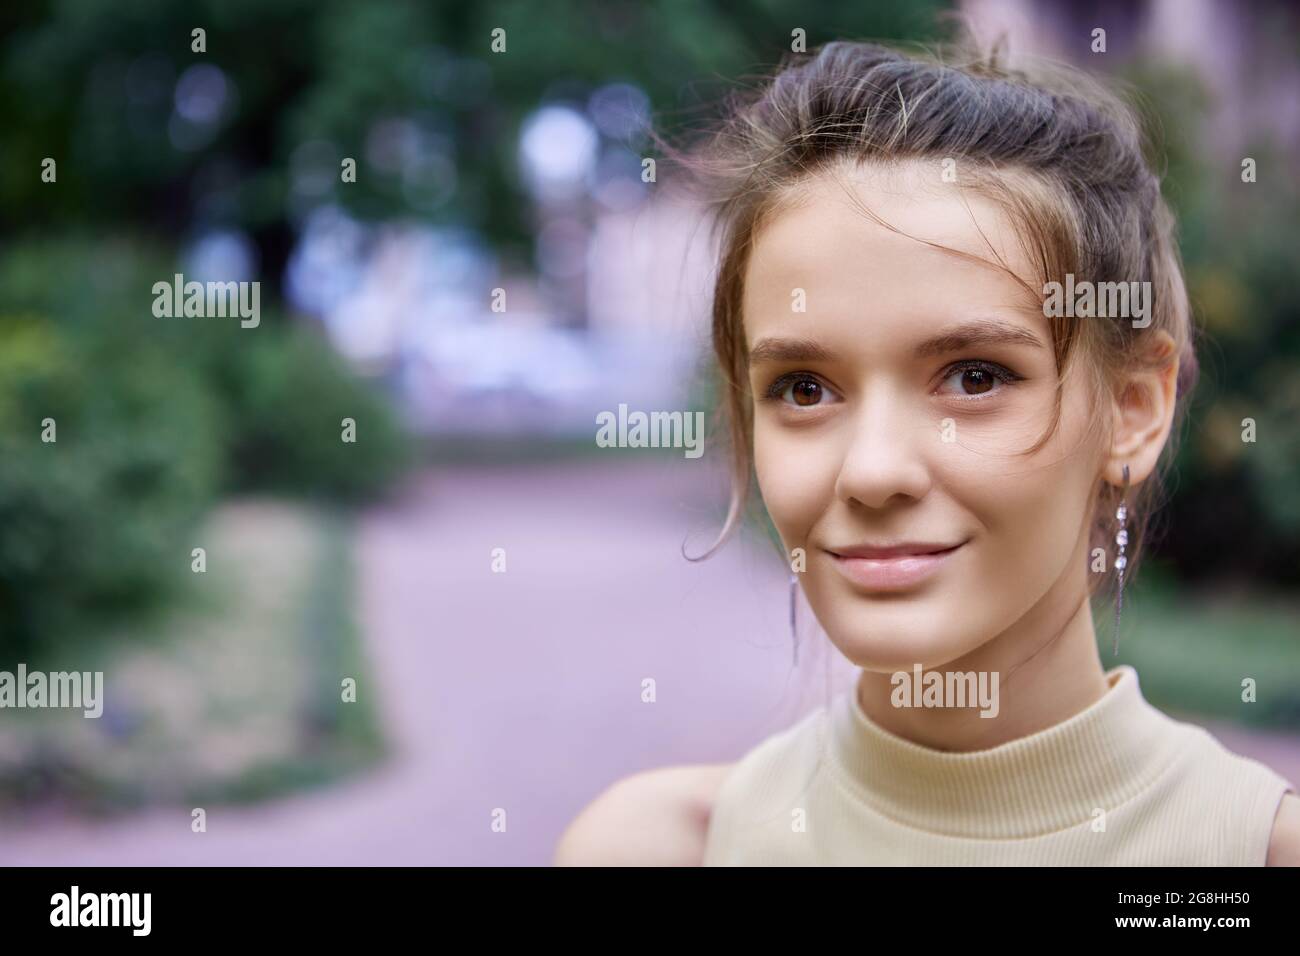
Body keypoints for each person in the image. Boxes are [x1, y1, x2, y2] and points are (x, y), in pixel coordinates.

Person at [554, 37, 1300, 866]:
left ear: (1132, 410)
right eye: (805, 388)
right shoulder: (662, 849)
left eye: (974, 377)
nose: (873, 471)